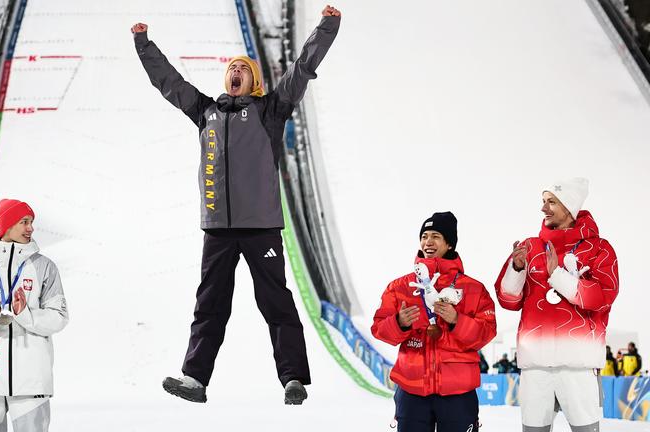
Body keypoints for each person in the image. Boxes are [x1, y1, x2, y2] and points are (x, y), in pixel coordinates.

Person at [130, 6, 342, 405]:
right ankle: (194, 379)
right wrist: (144, 45)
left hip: (260, 226)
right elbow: (168, 82)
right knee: (209, 305)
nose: (235, 73)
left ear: (255, 81)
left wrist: (326, 27)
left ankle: (293, 378)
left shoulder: (270, 111)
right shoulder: (205, 112)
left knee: (275, 302)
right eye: (231, 69)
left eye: (243, 69)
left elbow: (301, 70)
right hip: (218, 230)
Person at [495, 178, 619, 432]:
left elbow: (601, 297)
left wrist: (557, 276)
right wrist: (516, 269)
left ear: (569, 206)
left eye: (551, 202)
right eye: (543, 201)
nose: (543, 208)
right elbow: (508, 300)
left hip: (578, 364)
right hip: (535, 364)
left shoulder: (600, 249)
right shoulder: (530, 247)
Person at [372, 212, 497, 431]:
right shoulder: (400, 287)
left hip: (458, 393)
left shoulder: (473, 289)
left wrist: (457, 320)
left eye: (436, 236)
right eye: (424, 236)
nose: (428, 241)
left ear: (449, 244)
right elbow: (379, 329)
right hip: (412, 391)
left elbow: (486, 333)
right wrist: (399, 322)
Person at [0, 199, 69, 432]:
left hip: (31, 380)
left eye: (31, 222)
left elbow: (59, 317)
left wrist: (24, 313)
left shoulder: (44, 267)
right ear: (6, 225)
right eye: (24, 222)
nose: (31, 228)